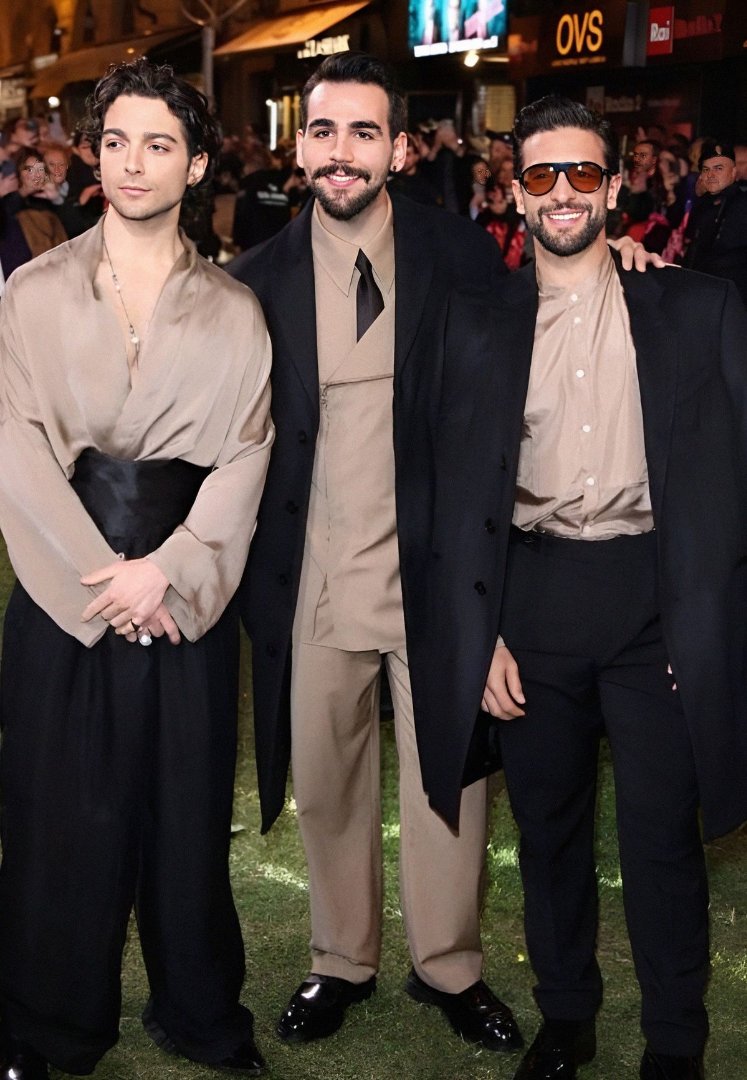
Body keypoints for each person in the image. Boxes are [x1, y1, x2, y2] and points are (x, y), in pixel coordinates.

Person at [228, 51, 525, 1058]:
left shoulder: (461, 255)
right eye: (323, 131)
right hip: (313, 580)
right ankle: (341, 958)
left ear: (398, 147)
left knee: (454, 784)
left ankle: (450, 966)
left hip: (436, 582)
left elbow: (505, 409)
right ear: (299, 146)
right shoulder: (252, 282)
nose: (341, 152)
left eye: (363, 132)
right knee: (327, 783)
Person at [0, 58, 273, 1080]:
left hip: (182, 601)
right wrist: (101, 578)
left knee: (185, 814)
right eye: (115, 141)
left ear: (196, 165)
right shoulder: (33, 292)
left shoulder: (235, 311)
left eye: (159, 144)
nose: (131, 163)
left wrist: (172, 571)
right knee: (55, 815)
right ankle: (46, 1021)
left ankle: (195, 1010)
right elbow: (15, 447)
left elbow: (246, 454)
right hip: (63, 593)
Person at [475, 96, 747, 1080]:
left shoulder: (694, 307)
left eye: (582, 173)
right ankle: (567, 1018)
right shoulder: (477, 323)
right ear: (515, 191)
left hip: (653, 600)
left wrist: (707, 626)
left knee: (661, 837)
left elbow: (733, 482)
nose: (562, 192)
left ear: (615, 185)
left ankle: (677, 1040)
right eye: (541, 175)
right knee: (547, 833)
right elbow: (447, 495)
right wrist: (478, 633)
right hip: (531, 600)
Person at [684, 140, 747, 306]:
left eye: (718, 168)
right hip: (699, 290)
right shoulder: (705, 203)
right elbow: (692, 242)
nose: (710, 175)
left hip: (729, 297)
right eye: (706, 169)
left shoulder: (739, 203)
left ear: (733, 172)